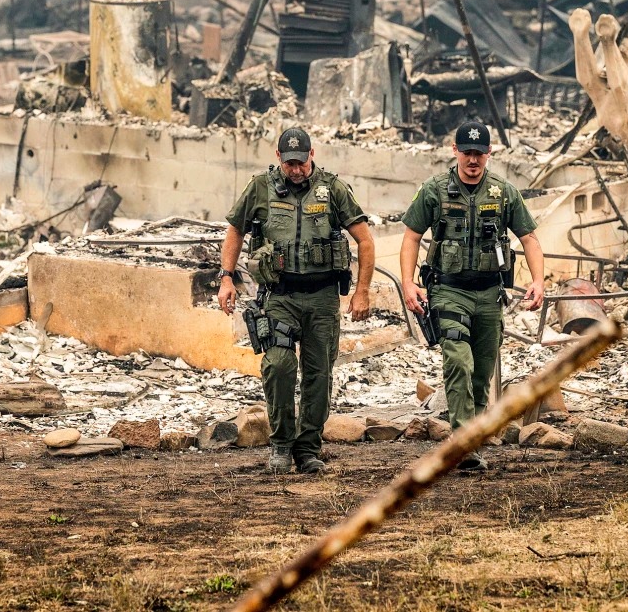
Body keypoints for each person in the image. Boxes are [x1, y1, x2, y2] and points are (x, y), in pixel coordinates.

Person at [217, 127, 376, 475]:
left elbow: (364, 239)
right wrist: (226, 278)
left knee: (319, 375)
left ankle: (308, 449)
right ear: (278, 158)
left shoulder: (332, 188)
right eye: (289, 163)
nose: (295, 169)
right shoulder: (260, 187)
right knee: (278, 365)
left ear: (311, 155)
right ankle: (282, 445)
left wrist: (362, 290)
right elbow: (235, 230)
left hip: (322, 299)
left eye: (301, 162)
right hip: (279, 296)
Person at [399, 120, 545, 470]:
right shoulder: (434, 190)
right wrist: (408, 282)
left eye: (480, 153)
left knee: (481, 374)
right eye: (467, 153)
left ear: (489, 154)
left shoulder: (503, 192)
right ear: (455, 151)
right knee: (458, 362)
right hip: (448, 290)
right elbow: (410, 236)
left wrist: (538, 281)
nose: (473, 160)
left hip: (490, 295)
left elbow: (530, 238)